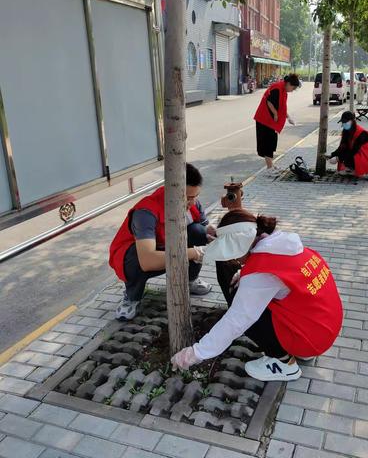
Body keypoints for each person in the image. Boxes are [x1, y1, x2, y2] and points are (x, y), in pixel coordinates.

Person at [170, 209, 343, 382]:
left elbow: (237, 319)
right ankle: (299, 349)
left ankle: (284, 363)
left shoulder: (261, 271)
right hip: (322, 329)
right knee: (249, 300)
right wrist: (245, 272)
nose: (233, 260)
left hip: (309, 339)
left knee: (245, 308)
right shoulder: (285, 245)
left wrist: (196, 352)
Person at [109, 163, 214, 320]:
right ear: (172, 192)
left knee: (199, 232)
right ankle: (132, 297)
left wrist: (216, 232)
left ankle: (190, 280)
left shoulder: (193, 203)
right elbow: (147, 261)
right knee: (134, 258)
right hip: (141, 258)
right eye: (188, 198)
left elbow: (205, 227)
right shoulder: (145, 212)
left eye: (195, 196)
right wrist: (192, 253)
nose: (193, 202)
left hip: (170, 249)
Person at [254, 73, 300, 176]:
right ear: (288, 83)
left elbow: (282, 107)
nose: (292, 90)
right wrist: (275, 114)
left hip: (270, 122)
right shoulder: (277, 88)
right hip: (264, 120)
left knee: (272, 142)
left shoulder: (283, 91)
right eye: (293, 88)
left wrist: (288, 117)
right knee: (268, 144)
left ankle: (271, 165)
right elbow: (269, 102)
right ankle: (269, 168)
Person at [327, 111, 368, 182]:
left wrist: (338, 158)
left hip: (367, 155)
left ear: (352, 121)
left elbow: (354, 151)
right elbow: (342, 146)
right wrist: (332, 154)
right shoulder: (346, 131)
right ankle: (351, 170)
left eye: (346, 122)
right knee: (345, 152)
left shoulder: (362, 133)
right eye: (343, 122)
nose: (344, 124)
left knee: (355, 156)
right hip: (355, 153)